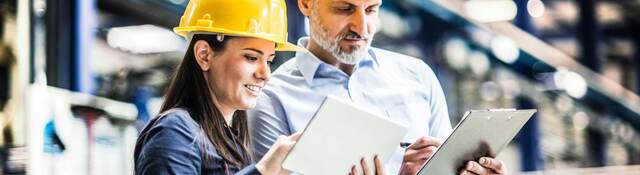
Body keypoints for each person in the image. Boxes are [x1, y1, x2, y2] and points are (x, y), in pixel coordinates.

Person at [247, 0, 506, 174]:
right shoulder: (271, 99)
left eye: (371, 10)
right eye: (345, 9)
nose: (361, 27)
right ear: (305, 3)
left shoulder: (418, 77)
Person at [133, 0, 306, 174]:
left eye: (269, 61)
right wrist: (263, 170)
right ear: (204, 55)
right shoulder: (174, 133)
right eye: (251, 58)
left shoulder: (233, 146)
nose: (265, 74)